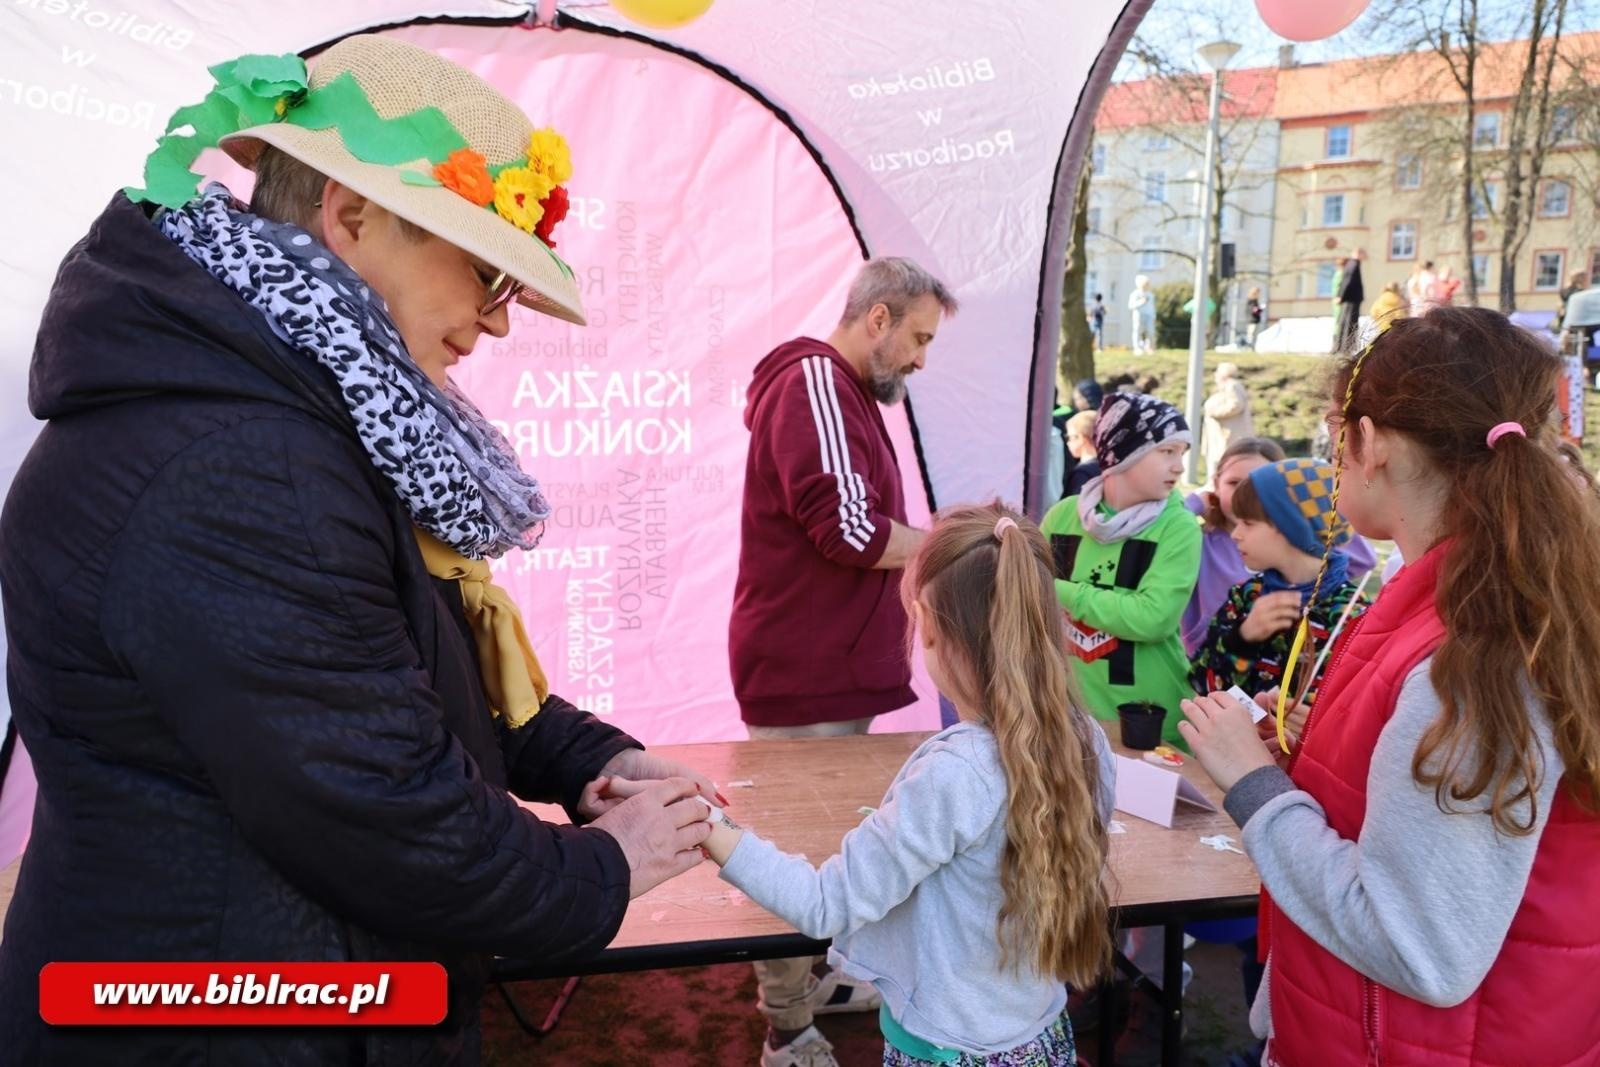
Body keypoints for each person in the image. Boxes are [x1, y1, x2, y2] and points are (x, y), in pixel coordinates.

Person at [0, 37, 721, 1066]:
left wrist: (581, 758)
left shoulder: (276, 398)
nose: (497, 325)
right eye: (486, 271)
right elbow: (384, 811)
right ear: (350, 217)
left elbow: (386, 663)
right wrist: (603, 867)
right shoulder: (247, 457)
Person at [1180, 306, 1600, 1067]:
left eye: (1335, 437)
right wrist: (1312, 757)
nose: (1334, 458)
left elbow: (1421, 947)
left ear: (1370, 442)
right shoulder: (1467, 604)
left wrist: (1254, 786)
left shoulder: (1476, 650)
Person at [706, 504, 1116, 1067]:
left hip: (946, 1050)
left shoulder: (957, 772)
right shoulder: (1087, 739)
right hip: (1042, 1035)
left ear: (926, 624)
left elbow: (825, 905)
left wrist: (712, 827)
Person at [730, 256, 958, 1067]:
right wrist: (951, 548)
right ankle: (787, 1028)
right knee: (791, 854)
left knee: (826, 846)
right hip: (806, 669)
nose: (921, 360)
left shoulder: (842, 390)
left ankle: (816, 983)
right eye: (919, 338)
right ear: (878, 318)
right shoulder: (815, 381)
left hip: (827, 666)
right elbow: (851, 531)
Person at [1041, 393, 1200, 750]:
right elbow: (1023, 599)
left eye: (1182, 453)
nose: (1179, 467)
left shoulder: (1178, 526)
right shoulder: (1062, 516)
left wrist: (1055, 589)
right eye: (1167, 451)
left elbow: (1153, 618)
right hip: (1068, 718)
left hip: (1150, 724)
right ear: (1124, 452)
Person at [1188, 459, 1370, 705]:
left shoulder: (1351, 614)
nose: (1236, 534)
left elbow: (1358, 708)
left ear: (1293, 527)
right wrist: (1242, 638)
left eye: (1248, 523)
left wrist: (1310, 720)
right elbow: (1200, 683)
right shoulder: (1247, 596)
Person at [1181, 438, 1286, 655]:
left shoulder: (1288, 546)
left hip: (1267, 666)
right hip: (1202, 663)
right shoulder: (1199, 541)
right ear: (1216, 484)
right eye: (1234, 483)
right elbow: (1157, 526)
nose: (1243, 494)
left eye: (1257, 484)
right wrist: (1196, 503)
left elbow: (1354, 553)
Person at [1202, 362, 1255, 482]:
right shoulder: (1225, 387)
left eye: (1217, 372)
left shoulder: (1232, 386)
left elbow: (1236, 406)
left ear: (1223, 374)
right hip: (1222, 433)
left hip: (1229, 433)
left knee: (1224, 461)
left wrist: (1214, 412)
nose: (1215, 375)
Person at [1334, 249, 1365, 354]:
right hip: (1351, 299)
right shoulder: (1354, 264)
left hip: (1349, 299)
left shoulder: (1351, 264)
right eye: (1363, 254)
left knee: (1346, 322)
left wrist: (1341, 296)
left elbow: (1345, 281)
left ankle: (1343, 347)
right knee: (1350, 323)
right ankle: (1347, 347)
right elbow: (1347, 281)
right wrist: (1341, 296)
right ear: (1358, 254)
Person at [1064, 410, 1101, 497]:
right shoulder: (1109, 466)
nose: (1068, 443)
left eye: (1070, 437)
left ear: (1082, 438)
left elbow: (1075, 502)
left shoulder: (1082, 473)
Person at [1128, 275, 1156, 355]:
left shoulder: (1150, 295)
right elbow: (1130, 306)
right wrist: (1141, 302)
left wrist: (1154, 316)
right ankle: (1137, 348)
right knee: (1137, 331)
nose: (1147, 285)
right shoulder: (1135, 294)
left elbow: (1152, 306)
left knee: (1150, 331)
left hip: (1149, 315)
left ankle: (1149, 347)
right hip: (1138, 315)